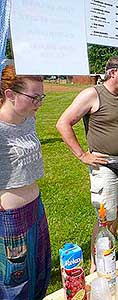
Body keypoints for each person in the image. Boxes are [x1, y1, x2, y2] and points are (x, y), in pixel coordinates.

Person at [56, 56, 118, 273]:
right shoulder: (92, 94)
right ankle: (96, 265)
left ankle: (110, 256)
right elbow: (63, 123)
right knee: (105, 218)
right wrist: (82, 155)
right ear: (113, 73)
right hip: (105, 166)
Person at [0, 64, 51, 299]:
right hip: (10, 218)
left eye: (41, 96)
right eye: (34, 97)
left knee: (40, 271)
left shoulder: (28, 119)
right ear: (9, 95)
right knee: (15, 282)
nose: (39, 103)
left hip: (36, 208)